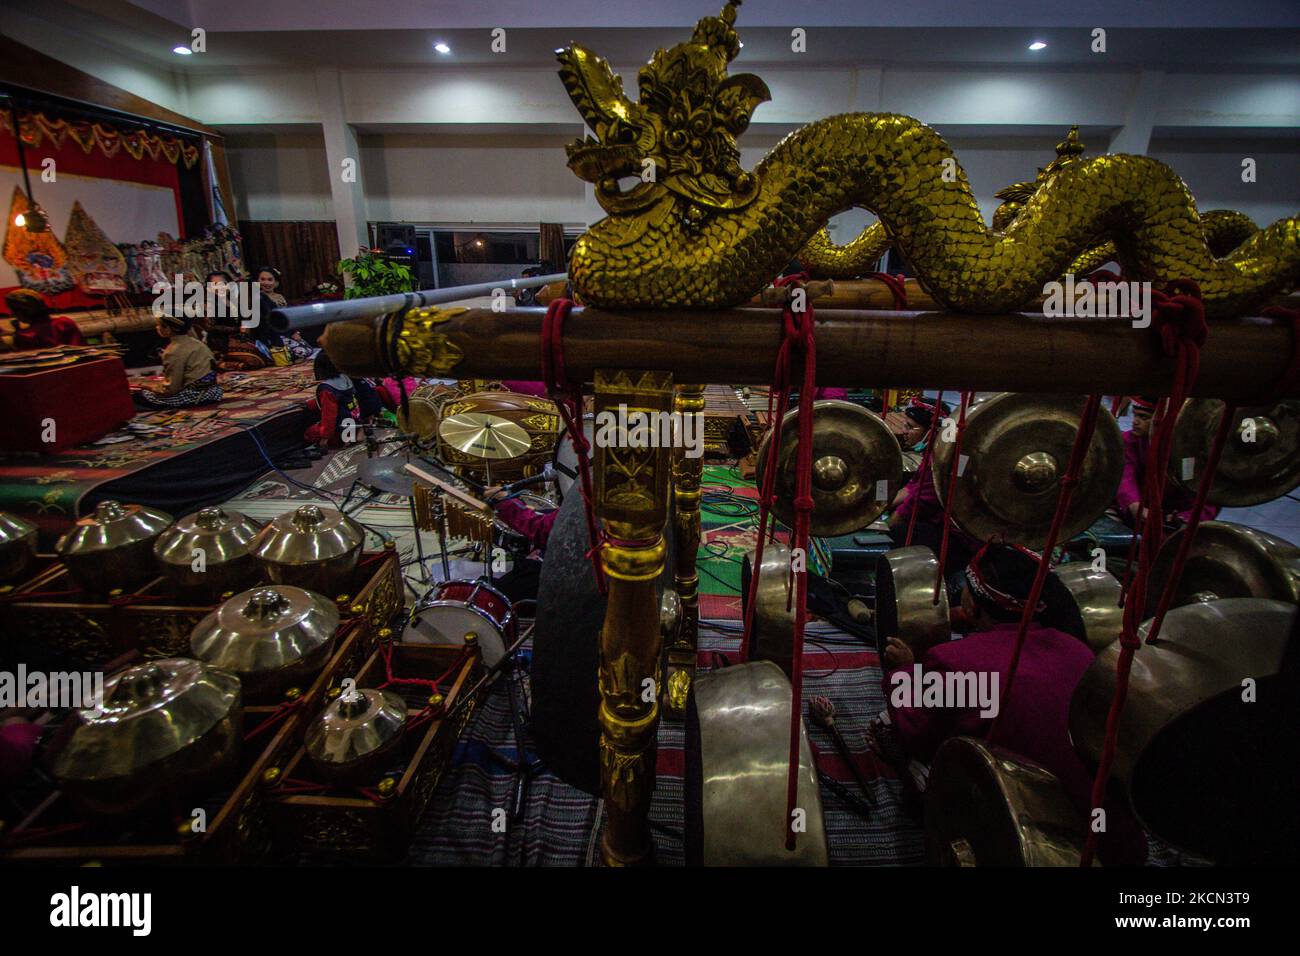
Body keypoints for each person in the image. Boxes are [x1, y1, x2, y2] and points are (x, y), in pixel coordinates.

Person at [872, 542, 1147, 865]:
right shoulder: (1076, 649)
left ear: (973, 603)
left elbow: (915, 731)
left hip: (1034, 846)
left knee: (888, 731)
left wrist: (904, 669)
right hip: (1118, 840)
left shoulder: (955, 662)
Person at [1115, 396, 1219, 529]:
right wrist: (1133, 504)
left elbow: (1207, 495)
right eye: (1135, 415)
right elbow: (1125, 477)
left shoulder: (1190, 450)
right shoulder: (1128, 441)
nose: (1135, 422)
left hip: (1175, 518)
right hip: (1133, 511)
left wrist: (1185, 518)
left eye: (1143, 417)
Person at [133, 311, 222, 409]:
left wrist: (149, 386)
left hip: (195, 396)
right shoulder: (197, 343)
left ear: (168, 329)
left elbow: (171, 389)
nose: (157, 328)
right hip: (214, 391)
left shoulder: (173, 351)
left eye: (159, 325)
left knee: (138, 396)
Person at [305, 349, 360, 446]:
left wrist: (325, 437)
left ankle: (340, 440)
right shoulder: (346, 378)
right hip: (355, 424)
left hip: (341, 430)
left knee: (309, 433)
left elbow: (329, 417)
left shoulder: (327, 389)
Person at [4, 289, 85, 349]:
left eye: (12, 310)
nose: (12, 314)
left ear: (20, 312)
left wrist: (17, 334)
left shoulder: (25, 336)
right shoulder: (64, 322)